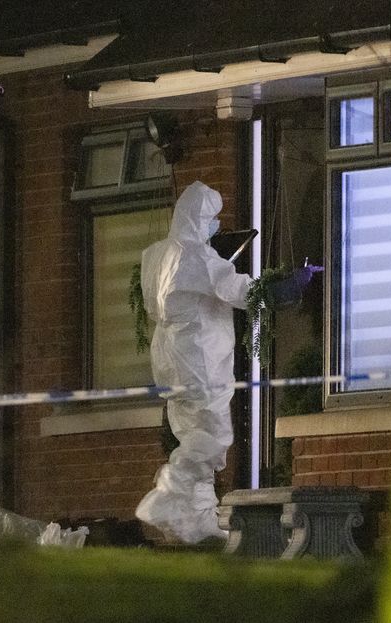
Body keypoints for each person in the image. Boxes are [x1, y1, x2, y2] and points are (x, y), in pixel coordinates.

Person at [135, 181, 253, 544]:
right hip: (200, 356)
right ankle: (166, 497)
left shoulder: (154, 254)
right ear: (200, 217)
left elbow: (155, 305)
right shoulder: (197, 256)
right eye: (212, 218)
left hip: (170, 357)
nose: (214, 225)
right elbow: (239, 291)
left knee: (192, 433)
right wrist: (276, 288)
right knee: (214, 435)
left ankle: (200, 515)